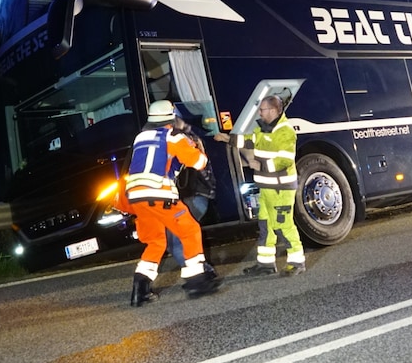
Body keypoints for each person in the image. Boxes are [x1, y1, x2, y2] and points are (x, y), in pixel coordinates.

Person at [125, 100, 222, 306]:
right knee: (190, 230)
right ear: (172, 119)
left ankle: (139, 290)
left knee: (156, 242)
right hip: (159, 195)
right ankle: (197, 282)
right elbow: (198, 162)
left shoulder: (140, 137)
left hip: (136, 197)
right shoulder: (173, 136)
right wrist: (192, 143)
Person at [216, 95, 305, 276]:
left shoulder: (285, 131)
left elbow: (285, 160)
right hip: (266, 187)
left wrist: (261, 165)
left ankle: (297, 262)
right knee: (266, 225)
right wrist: (228, 139)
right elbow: (249, 140)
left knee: (283, 225)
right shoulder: (263, 129)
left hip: (281, 188)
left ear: (273, 111)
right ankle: (265, 264)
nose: (260, 112)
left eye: (262, 109)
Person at [166, 129, 217, 267]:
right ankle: (201, 270)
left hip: (192, 200)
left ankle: (200, 273)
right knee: (178, 240)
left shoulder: (186, 159)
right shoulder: (199, 156)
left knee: (175, 241)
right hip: (199, 200)